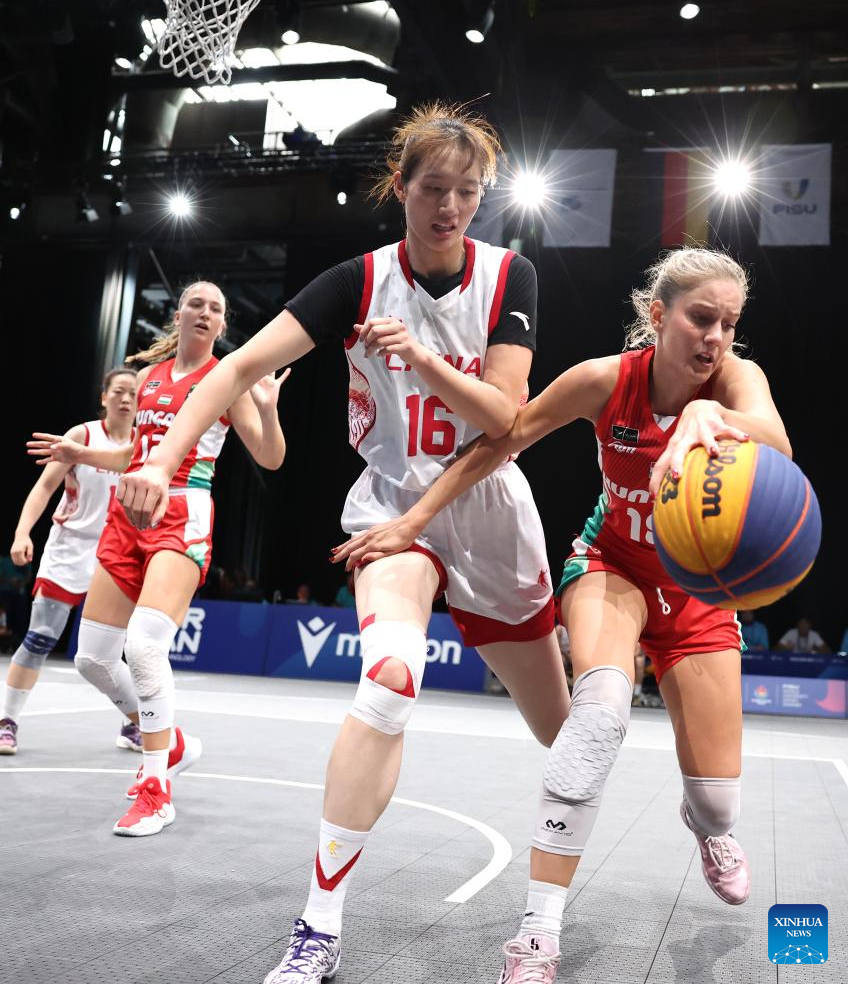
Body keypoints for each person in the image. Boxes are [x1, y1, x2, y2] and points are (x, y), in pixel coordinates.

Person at [114, 102, 570, 983]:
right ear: (400, 186)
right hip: (393, 506)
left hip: (487, 508)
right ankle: (318, 927)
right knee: (390, 681)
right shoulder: (356, 281)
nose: (448, 207)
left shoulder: (510, 275)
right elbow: (238, 367)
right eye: (432, 188)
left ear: (483, 197)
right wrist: (165, 458)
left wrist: (426, 360)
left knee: (566, 736)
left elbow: (504, 418)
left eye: (466, 192)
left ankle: (549, 911)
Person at [334, 246, 793, 981]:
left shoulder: (737, 380)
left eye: (727, 324)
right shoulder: (604, 380)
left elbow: (779, 445)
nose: (714, 337)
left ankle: (706, 824)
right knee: (596, 721)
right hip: (611, 567)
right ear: (658, 314)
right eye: (700, 318)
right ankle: (536, 934)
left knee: (718, 804)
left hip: (699, 593)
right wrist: (413, 520)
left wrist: (709, 411)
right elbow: (502, 440)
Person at [27, 281, 289, 836]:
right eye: (196, 303)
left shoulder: (227, 378)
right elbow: (134, 453)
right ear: (178, 315)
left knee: (144, 648)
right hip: (126, 513)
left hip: (183, 508)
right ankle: (172, 743)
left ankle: (155, 790)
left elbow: (270, 458)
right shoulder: (148, 377)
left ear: (222, 325)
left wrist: (268, 410)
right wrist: (81, 452)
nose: (205, 312)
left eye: (216, 308)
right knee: (92, 659)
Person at [0, 368, 137, 757]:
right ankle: (7, 722)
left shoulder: (145, 444)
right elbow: (45, 486)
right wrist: (22, 533)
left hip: (117, 553)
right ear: (104, 397)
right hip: (70, 548)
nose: (126, 399)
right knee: (41, 637)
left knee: (121, 649)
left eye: (133, 393)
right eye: (119, 391)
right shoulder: (83, 436)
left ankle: (133, 723)